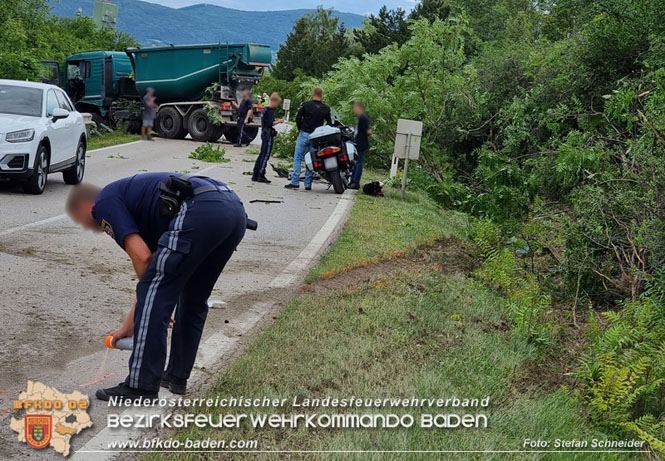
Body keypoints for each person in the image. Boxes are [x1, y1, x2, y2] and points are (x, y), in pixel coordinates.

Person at [66, 173, 247, 401]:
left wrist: (156, 303)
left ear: (85, 206)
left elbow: (143, 262)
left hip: (200, 210)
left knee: (157, 292)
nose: (85, 226)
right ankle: (176, 375)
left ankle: (141, 385)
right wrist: (129, 325)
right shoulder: (138, 204)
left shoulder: (103, 203)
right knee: (193, 297)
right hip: (232, 210)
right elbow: (153, 269)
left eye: (78, 219)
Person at [285, 87, 332, 191]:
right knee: (311, 160)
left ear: (313, 94)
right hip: (316, 137)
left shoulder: (305, 105)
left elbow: (298, 118)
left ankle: (295, 182)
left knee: (298, 157)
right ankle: (308, 184)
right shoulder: (326, 108)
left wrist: (300, 128)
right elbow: (329, 124)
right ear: (322, 95)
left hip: (304, 134)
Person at [253, 92, 285, 183]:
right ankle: (261, 174)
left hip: (263, 132)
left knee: (261, 154)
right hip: (268, 134)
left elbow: (268, 120)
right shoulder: (270, 111)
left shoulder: (265, 110)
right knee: (266, 154)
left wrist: (275, 120)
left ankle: (255, 173)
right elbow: (270, 123)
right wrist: (279, 121)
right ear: (274, 101)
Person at [348, 101, 372, 189]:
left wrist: (362, 136)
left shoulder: (363, 117)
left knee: (359, 163)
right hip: (357, 143)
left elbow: (369, 131)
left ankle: (356, 182)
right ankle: (352, 180)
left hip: (361, 143)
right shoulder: (360, 117)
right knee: (355, 163)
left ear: (359, 107)